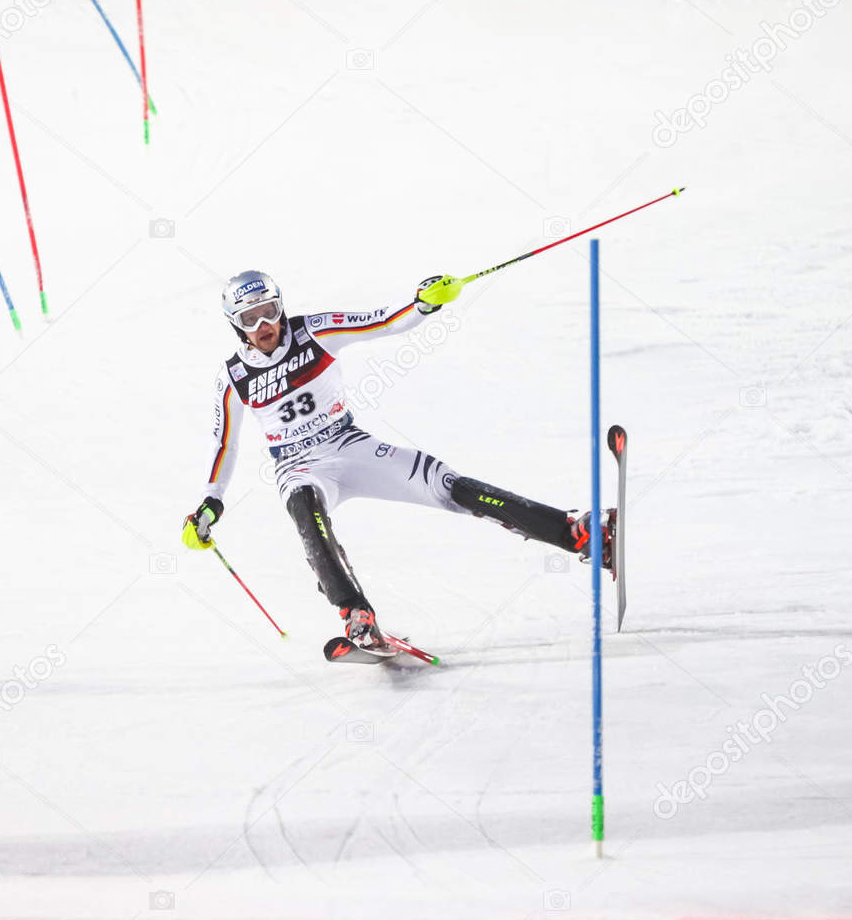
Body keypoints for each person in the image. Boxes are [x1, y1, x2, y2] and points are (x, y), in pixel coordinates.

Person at [181, 269, 615, 655]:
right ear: (234, 326)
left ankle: (576, 534)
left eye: (270, 310)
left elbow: (381, 321)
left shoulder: (312, 331)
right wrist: (209, 502)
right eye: (250, 319)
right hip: (297, 464)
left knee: (446, 484)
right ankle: (355, 614)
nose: (264, 325)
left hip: (349, 444)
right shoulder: (233, 377)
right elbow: (224, 444)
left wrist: (422, 303)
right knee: (304, 508)